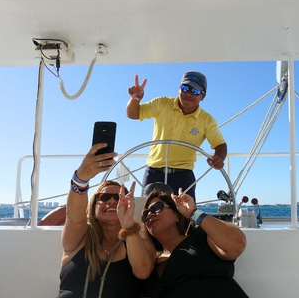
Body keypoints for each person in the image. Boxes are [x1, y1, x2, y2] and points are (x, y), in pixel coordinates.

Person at [57, 143, 155, 298]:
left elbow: (143, 272)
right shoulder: (79, 239)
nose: (111, 201)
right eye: (103, 197)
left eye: (118, 198)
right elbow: (74, 218)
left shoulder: (142, 244)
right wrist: (81, 179)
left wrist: (128, 223)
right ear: (94, 206)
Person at [126, 71, 228, 201]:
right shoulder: (162, 103)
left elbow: (220, 145)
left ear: (203, 96)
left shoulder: (207, 120)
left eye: (195, 91)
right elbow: (133, 114)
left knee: (185, 218)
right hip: (153, 172)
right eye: (185, 88)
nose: (189, 94)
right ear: (179, 89)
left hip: (183, 176)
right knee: (148, 216)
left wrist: (218, 158)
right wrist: (135, 99)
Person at [141, 188, 249, 298]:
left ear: (177, 215)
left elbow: (237, 244)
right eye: (145, 214)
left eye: (156, 207)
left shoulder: (202, 238)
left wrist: (194, 213)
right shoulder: (149, 266)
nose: (150, 214)